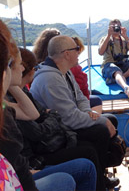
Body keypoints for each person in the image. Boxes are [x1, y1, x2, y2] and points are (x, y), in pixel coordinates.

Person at [0, 20, 96, 191]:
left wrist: (10, 83)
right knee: (75, 172)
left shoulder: (5, 106)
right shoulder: (5, 111)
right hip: (30, 166)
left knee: (91, 145)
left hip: (25, 167)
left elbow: (32, 115)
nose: (22, 69)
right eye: (16, 63)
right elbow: (37, 128)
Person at [29, 35, 120, 187]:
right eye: (76, 49)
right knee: (101, 131)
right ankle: (99, 184)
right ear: (66, 53)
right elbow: (69, 118)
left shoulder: (65, 71)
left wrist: (90, 113)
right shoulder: (50, 79)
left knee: (110, 120)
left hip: (63, 127)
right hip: (52, 139)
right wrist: (100, 120)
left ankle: (100, 177)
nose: (79, 52)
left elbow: (80, 98)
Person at [98, 19, 129, 99]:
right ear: (109, 28)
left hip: (123, 64)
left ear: (120, 27)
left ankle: (120, 77)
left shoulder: (124, 39)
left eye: (117, 27)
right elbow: (100, 52)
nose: (115, 29)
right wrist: (108, 35)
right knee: (116, 70)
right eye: (113, 27)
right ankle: (126, 88)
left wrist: (126, 37)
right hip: (109, 65)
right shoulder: (105, 39)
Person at [70, 36, 103, 112]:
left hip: (74, 98)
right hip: (76, 102)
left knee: (95, 92)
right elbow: (83, 92)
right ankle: (94, 121)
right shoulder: (74, 69)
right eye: (77, 49)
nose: (78, 53)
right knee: (97, 100)